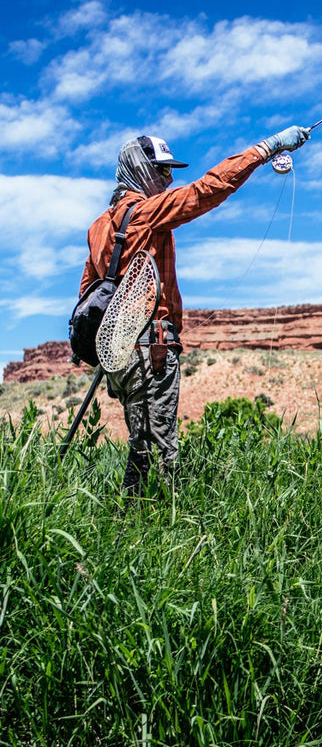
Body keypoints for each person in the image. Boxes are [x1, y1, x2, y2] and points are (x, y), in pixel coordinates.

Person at [78, 126, 310, 495]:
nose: (170, 178)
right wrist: (266, 148)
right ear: (139, 168)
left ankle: (127, 523)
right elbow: (206, 190)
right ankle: (153, 531)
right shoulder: (147, 213)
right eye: (162, 170)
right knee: (159, 453)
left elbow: (88, 292)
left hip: (116, 355)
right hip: (149, 350)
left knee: (142, 448)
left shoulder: (98, 227)